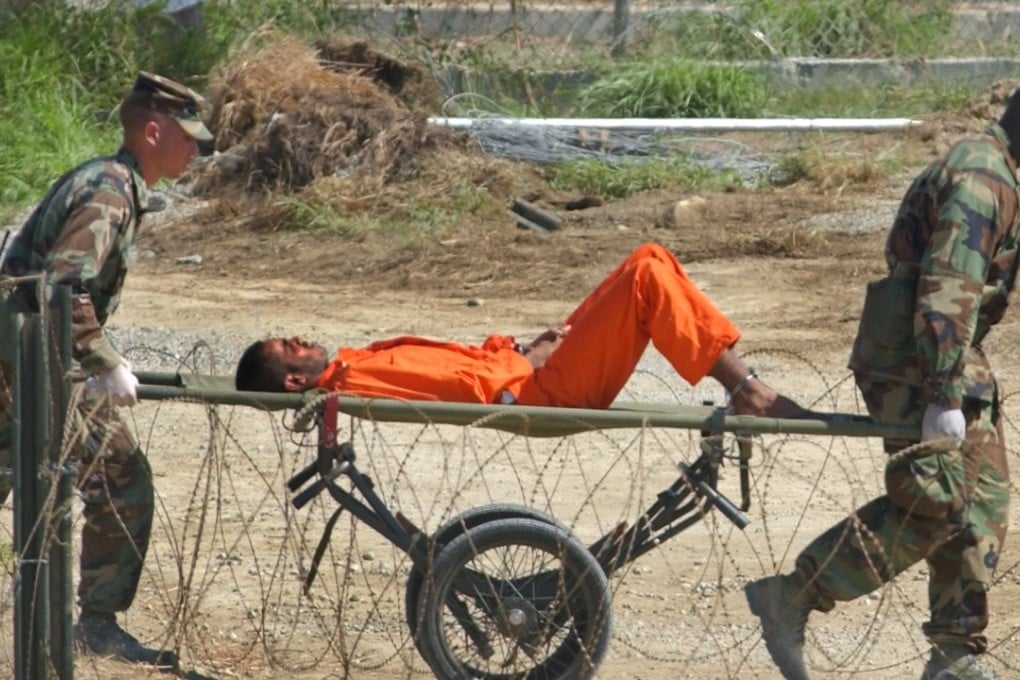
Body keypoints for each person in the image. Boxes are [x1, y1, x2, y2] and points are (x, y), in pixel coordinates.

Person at [744, 91, 1020, 680]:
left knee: (983, 501)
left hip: (938, 355)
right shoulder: (982, 179)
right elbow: (947, 288)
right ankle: (793, 594)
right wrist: (944, 395)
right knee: (936, 501)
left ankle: (954, 652)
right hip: (919, 360)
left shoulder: (993, 169)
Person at [0, 71, 212, 667]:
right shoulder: (111, 192)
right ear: (152, 131)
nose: (195, 148)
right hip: (26, 358)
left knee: (71, 471)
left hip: (29, 352)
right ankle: (93, 624)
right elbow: (62, 285)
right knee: (118, 476)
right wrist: (103, 360)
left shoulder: (116, 183)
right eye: (187, 136)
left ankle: (91, 624)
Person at [235, 243, 808, 420]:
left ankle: (742, 384)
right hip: (542, 392)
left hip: (530, 370)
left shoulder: (352, 364)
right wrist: (530, 364)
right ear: (292, 381)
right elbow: (465, 390)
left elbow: (460, 363)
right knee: (646, 278)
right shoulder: (357, 377)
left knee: (647, 256)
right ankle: (748, 391)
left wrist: (517, 347)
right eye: (292, 348)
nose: (303, 340)